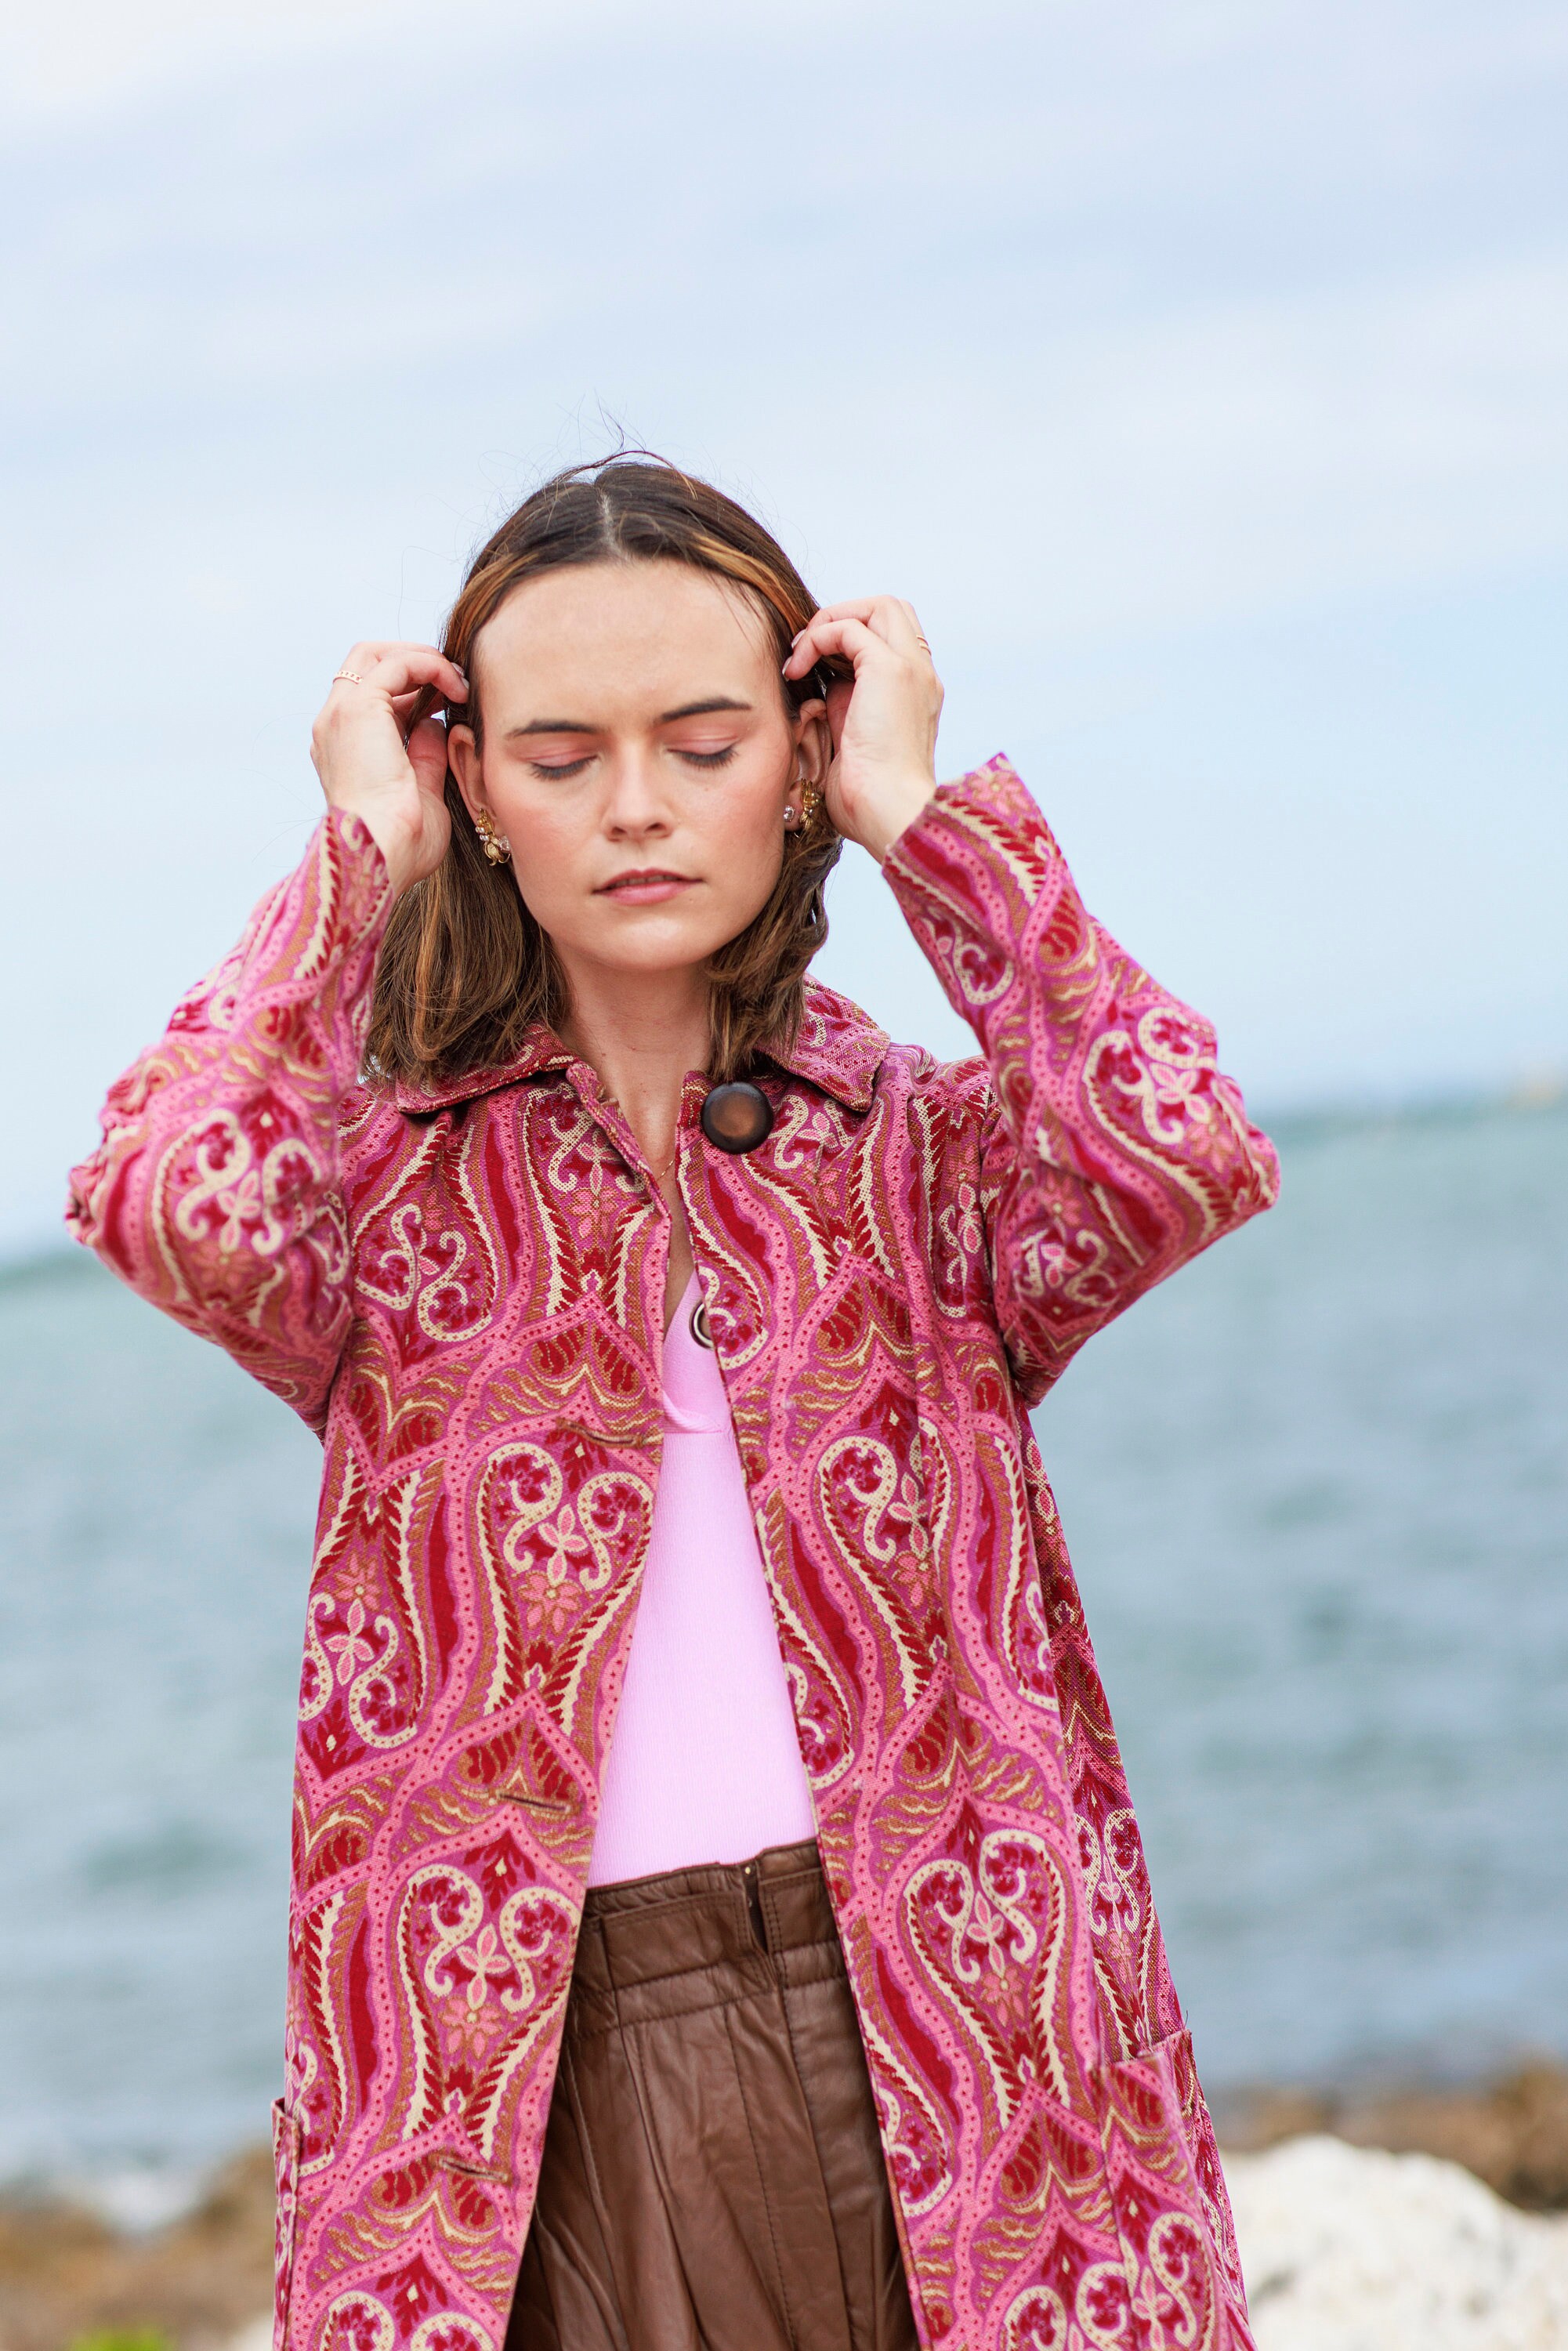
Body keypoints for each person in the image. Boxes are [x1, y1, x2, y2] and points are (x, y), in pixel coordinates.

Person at [67, 458, 1279, 2351]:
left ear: (791, 764)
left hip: (970, 2057)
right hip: (516, 2103)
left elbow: (1171, 1144)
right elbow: (167, 1193)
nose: (633, 807)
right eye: (557, 759)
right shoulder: (387, 1197)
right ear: (472, 784)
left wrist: (919, 819)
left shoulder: (923, 1161)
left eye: (703, 744)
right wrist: (353, 860)